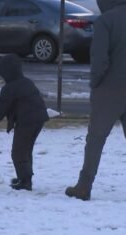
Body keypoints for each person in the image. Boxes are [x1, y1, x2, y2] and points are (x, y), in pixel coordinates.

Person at [65, 0, 126, 201]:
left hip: (109, 88)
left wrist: (95, 83)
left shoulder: (105, 21)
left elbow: (99, 59)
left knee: (96, 139)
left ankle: (84, 185)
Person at [0, 54, 49, 191]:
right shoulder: (27, 82)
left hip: (27, 121)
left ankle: (25, 182)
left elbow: (1, 108)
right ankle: (25, 178)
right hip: (38, 119)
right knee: (26, 150)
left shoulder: (10, 88)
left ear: (8, 72)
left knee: (18, 152)